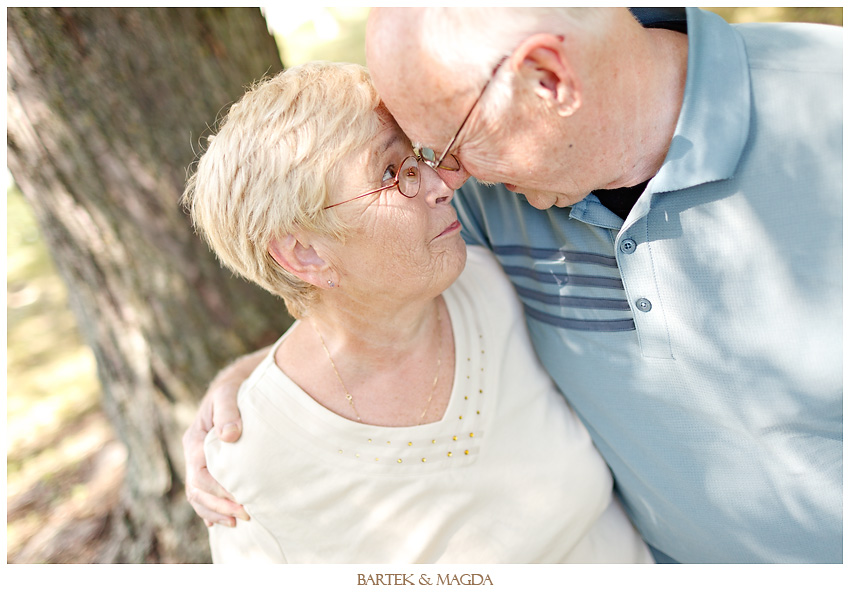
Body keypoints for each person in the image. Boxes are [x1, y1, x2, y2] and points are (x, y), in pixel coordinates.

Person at [185, 7, 842, 563]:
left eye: (447, 147)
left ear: (549, 80)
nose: (448, 181)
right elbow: (358, 294)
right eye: (415, 161)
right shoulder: (494, 210)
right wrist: (254, 386)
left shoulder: (827, 112)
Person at [181, 61, 652, 563]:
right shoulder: (253, 470)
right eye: (391, 172)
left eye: (417, 157)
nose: (441, 184)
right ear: (306, 255)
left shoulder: (494, 283)